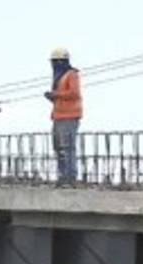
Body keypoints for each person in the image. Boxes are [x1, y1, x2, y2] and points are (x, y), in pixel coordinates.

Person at [44, 48, 83, 185]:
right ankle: (62, 176)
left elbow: (74, 93)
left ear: (60, 61)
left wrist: (56, 94)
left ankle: (70, 177)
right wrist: (52, 97)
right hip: (58, 116)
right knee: (59, 148)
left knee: (67, 148)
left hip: (69, 116)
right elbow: (63, 97)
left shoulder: (71, 74)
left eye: (54, 62)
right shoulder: (59, 78)